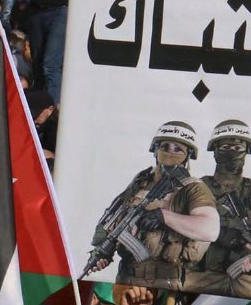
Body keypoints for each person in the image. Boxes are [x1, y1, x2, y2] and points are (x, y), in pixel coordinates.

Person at [80, 121, 219, 292]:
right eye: (165, 146)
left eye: (178, 149)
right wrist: (104, 250)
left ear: (188, 155)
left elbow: (211, 228)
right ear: (155, 149)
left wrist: (163, 216)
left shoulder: (193, 187)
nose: (170, 152)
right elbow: (117, 214)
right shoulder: (142, 180)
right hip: (126, 278)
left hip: (164, 285)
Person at [189, 120, 251, 299]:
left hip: (245, 282)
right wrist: (219, 234)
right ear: (215, 151)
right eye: (226, 146)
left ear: (246, 152)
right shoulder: (196, 189)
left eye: (238, 148)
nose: (232, 152)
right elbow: (175, 229)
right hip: (200, 279)